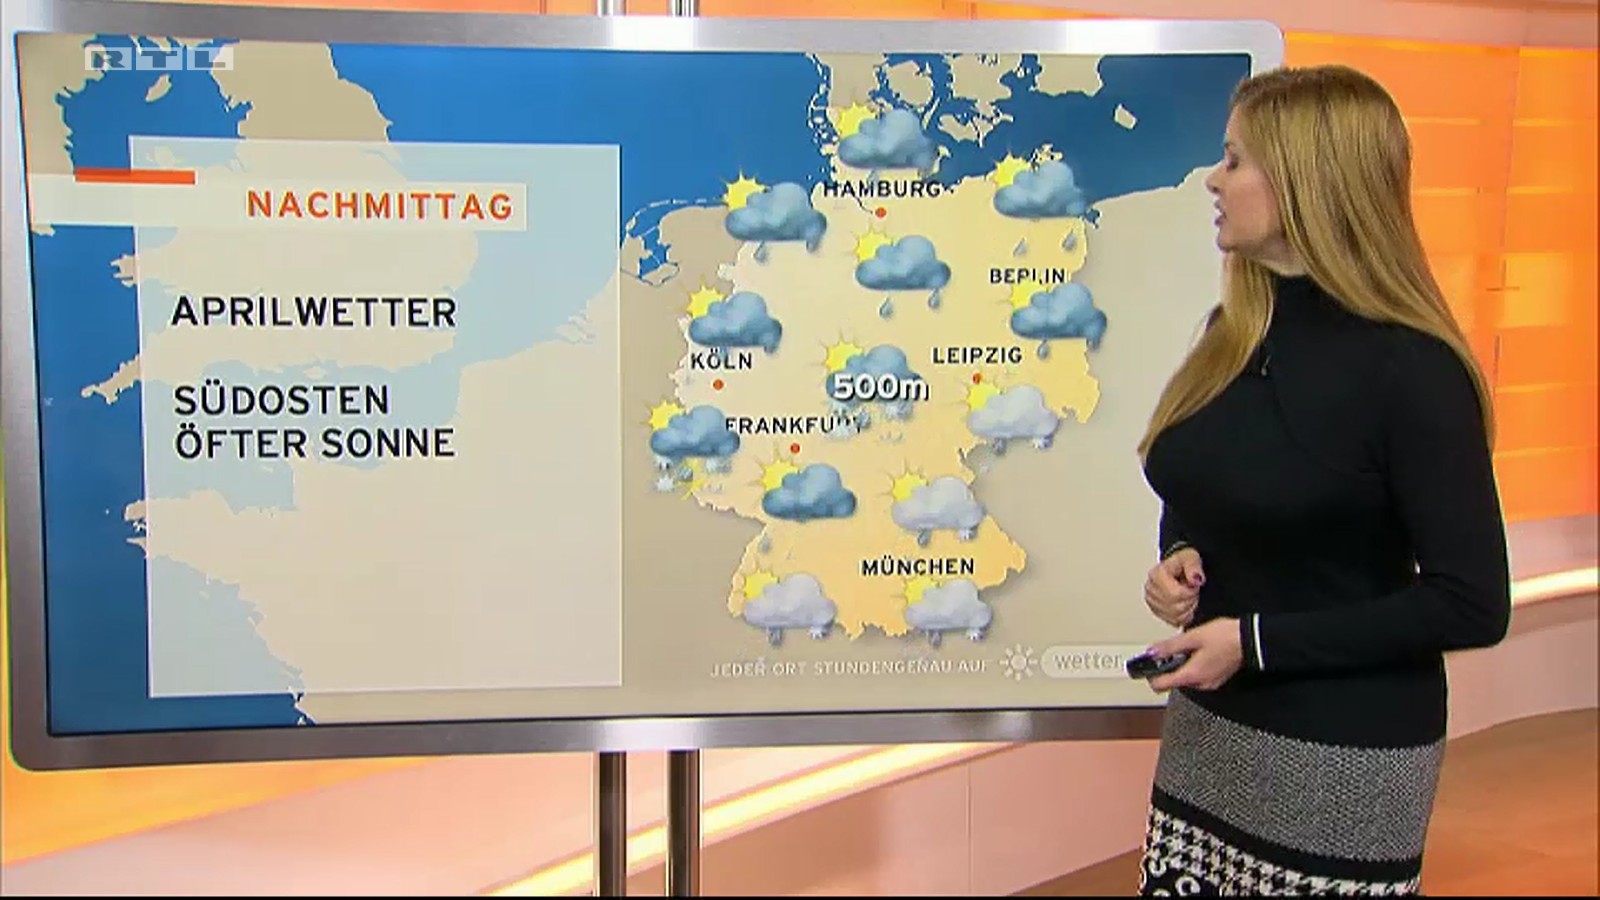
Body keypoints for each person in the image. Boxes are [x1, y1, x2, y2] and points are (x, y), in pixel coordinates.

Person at [1132, 64, 1512, 896]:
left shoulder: (1413, 370)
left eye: (1235, 160)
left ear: (1307, 178)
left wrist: (1254, 643)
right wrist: (1181, 555)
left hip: (1341, 761)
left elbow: (1472, 602)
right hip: (1210, 736)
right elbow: (1207, 491)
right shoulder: (1233, 334)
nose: (1212, 180)